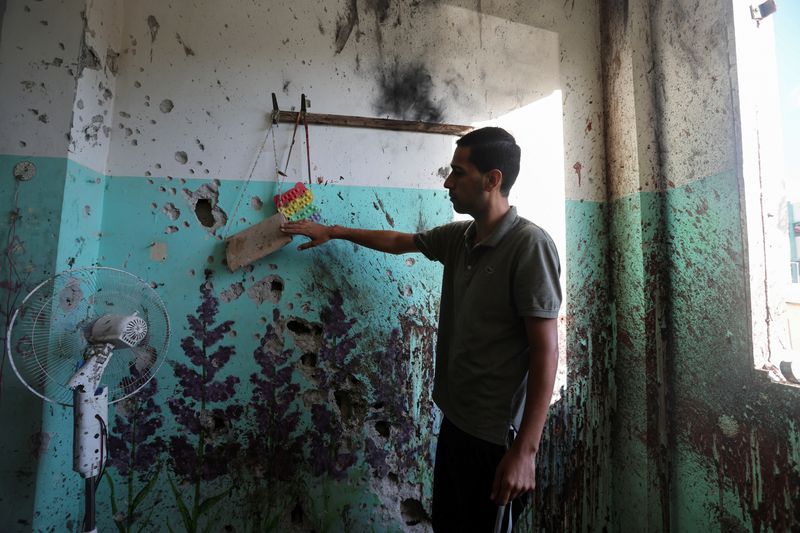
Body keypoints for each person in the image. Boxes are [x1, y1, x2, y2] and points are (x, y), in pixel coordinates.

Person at [281, 127, 561, 532]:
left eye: (457, 172)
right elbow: (400, 241)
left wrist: (525, 451)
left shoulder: (529, 245)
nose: (447, 182)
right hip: (456, 422)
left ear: (492, 179)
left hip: (497, 439)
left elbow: (545, 352)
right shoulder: (460, 238)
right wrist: (334, 231)